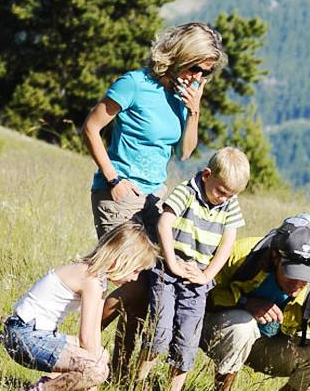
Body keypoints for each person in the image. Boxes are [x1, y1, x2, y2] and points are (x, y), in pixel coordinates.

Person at [199, 216, 310, 391]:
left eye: (306, 277)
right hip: (216, 331)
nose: (298, 283)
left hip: (266, 347)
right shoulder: (242, 255)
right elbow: (197, 298)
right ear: (275, 258)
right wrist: (245, 302)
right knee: (243, 325)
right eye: (292, 274)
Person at [79, 21, 221, 239]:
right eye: (195, 68)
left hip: (154, 196)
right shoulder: (134, 83)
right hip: (120, 192)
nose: (198, 77)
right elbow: (90, 128)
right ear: (180, 55)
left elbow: (184, 153)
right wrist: (113, 180)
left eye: (206, 71)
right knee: (118, 269)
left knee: (149, 270)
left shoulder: (181, 96)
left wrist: (194, 111)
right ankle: (59, 275)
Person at [1, 221, 160, 391]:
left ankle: (45, 388)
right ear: (120, 259)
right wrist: (93, 374)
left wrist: (94, 367)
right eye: (136, 270)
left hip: (29, 333)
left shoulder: (97, 278)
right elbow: (85, 337)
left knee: (102, 356)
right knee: (98, 368)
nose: (135, 278)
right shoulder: (91, 280)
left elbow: (95, 331)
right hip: (24, 337)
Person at [136, 148, 249, 391]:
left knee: (188, 338)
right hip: (169, 272)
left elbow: (228, 243)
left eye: (230, 195)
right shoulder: (186, 191)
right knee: (159, 332)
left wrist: (207, 274)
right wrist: (173, 263)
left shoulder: (229, 204)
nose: (223, 199)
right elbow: (164, 224)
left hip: (198, 280)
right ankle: (139, 384)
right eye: (221, 191)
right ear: (207, 175)